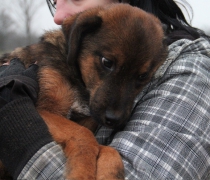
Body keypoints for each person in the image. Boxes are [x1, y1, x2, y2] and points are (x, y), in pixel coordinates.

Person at [1, 0, 210, 179]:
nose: (58, 16)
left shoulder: (189, 69)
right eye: (55, 1)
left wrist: (14, 119)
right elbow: (54, 119)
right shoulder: (60, 57)